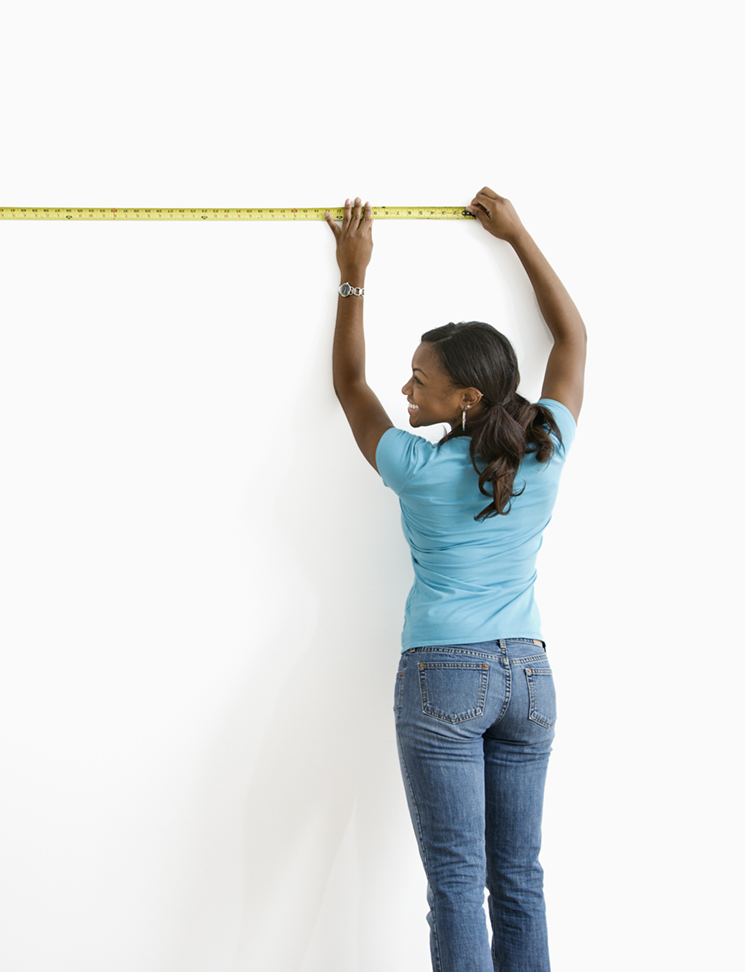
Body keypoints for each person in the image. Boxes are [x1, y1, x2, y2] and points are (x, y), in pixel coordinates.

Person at [324, 188, 586, 972]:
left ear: (466, 400)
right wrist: (517, 235)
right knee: (520, 880)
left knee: (457, 881)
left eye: (421, 381)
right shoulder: (546, 447)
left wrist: (353, 276)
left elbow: (348, 384)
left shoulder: (418, 467)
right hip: (529, 677)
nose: (406, 392)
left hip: (445, 675)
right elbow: (572, 336)